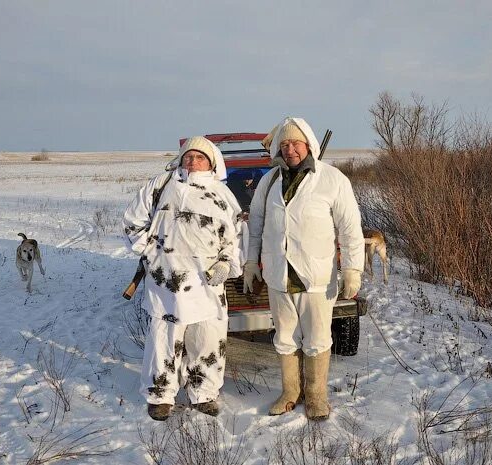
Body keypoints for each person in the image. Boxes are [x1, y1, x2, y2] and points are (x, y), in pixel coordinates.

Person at [243, 117, 364, 421]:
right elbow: (255, 224)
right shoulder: (269, 181)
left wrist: (352, 269)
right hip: (278, 275)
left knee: (318, 339)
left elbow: (350, 227)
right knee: (285, 337)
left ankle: (316, 397)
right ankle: (289, 393)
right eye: (284, 144)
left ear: (308, 144)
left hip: (316, 276)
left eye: (295, 143)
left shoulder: (332, 179)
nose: (290, 149)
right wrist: (251, 263)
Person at [123, 136, 243, 421]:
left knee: (208, 340)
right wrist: (151, 251)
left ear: (212, 162)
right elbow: (132, 220)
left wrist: (227, 264)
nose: (192, 161)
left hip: (207, 284)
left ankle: (204, 394)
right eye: (188, 156)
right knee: (163, 339)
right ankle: (160, 395)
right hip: (166, 281)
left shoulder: (222, 195)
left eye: (199, 157)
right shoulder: (161, 185)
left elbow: (235, 236)